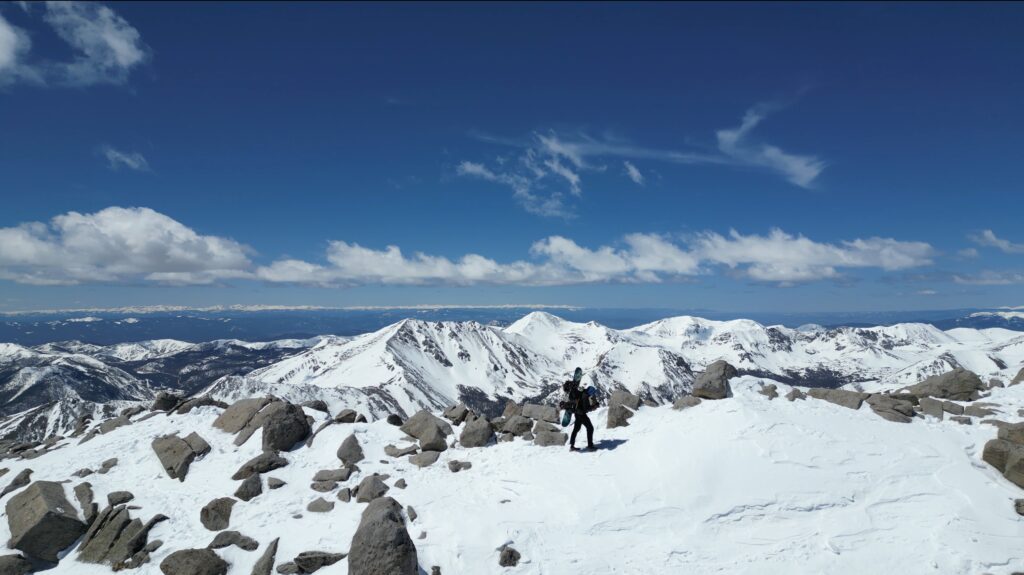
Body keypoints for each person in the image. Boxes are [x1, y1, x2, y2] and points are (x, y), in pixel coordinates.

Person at [560, 379, 595, 451]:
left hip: (577, 414)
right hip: (581, 415)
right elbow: (585, 408)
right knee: (590, 428)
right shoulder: (585, 395)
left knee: (576, 429)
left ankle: (572, 445)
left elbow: (578, 403)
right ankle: (590, 446)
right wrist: (593, 407)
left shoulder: (578, 393)